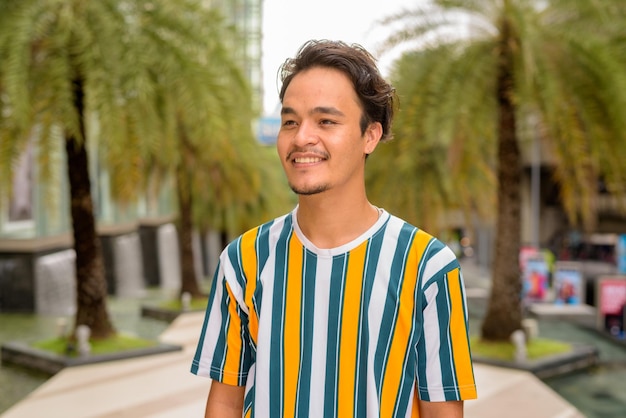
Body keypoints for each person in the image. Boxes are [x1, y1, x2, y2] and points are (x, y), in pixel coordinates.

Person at [191, 39, 477, 418]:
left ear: (370, 136)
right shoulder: (243, 260)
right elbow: (225, 402)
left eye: (326, 121)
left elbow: (441, 411)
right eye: (290, 121)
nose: (301, 137)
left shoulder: (427, 267)